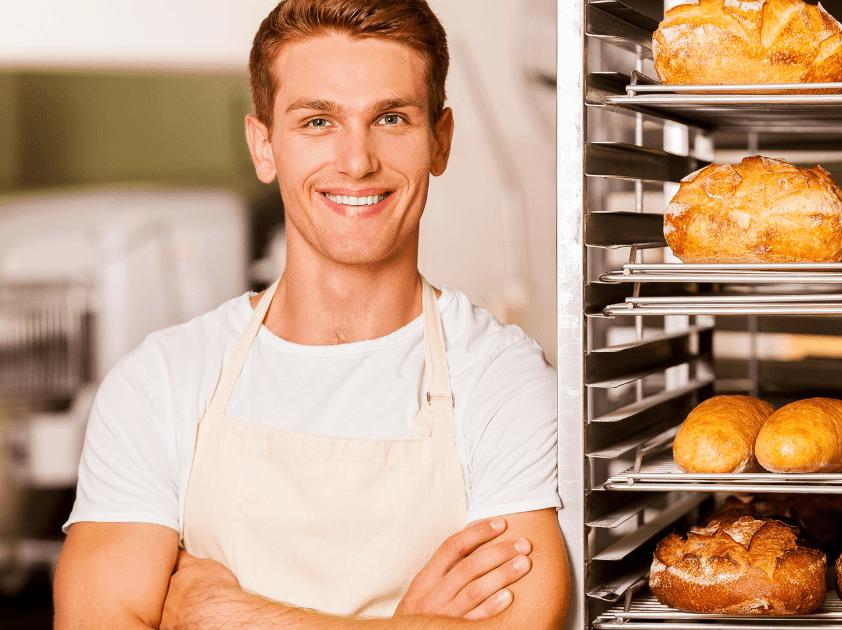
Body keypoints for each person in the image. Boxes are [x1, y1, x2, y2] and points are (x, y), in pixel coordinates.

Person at [52, 1, 567, 628]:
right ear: (264, 146)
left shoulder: (504, 382)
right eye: (318, 121)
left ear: (441, 141)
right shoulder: (160, 382)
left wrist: (220, 612)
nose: (356, 161)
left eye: (392, 118)